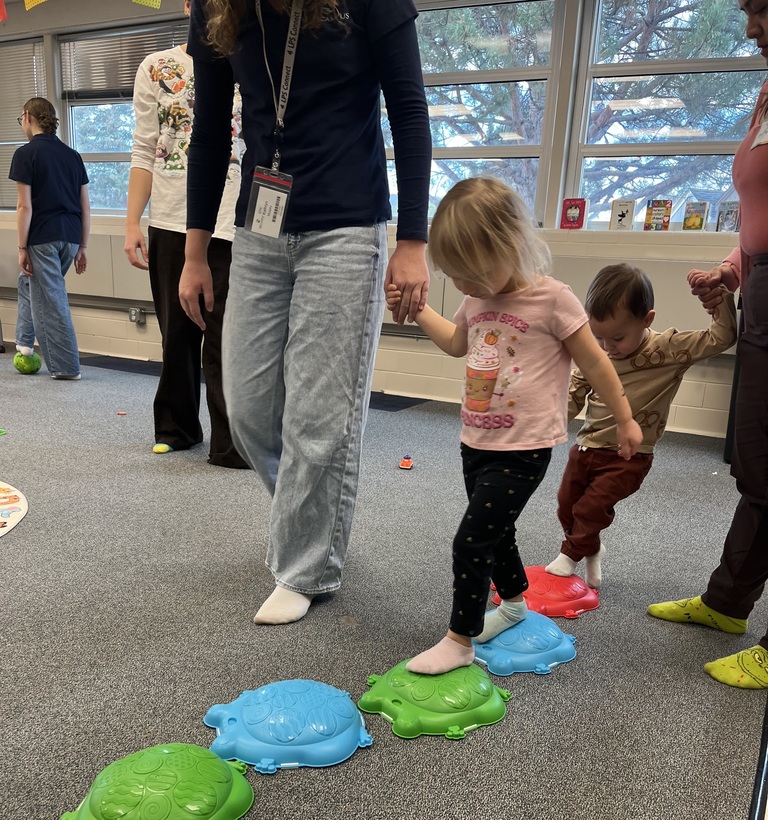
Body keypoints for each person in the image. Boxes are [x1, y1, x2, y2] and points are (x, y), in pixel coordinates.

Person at [179, 0, 431, 625]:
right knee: (247, 407)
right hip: (260, 226)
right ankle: (310, 520)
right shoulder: (219, 7)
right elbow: (210, 131)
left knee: (321, 413)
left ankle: (307, 565)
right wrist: (194, 253)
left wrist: (413, 242)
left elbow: (409, 111)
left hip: (346, 225)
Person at [385, 177, 643, 676]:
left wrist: (625, 418)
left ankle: (459, 640)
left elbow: (596, 363)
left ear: (511, 245)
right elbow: (458, 344)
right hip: (475, 440)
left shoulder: (553, 299)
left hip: (525, 448)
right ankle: (515, 605)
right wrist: (419, 312)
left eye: (474, 275)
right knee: (497, 532)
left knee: (471, 541)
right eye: (456, 278)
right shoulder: (477, 298)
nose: (467, 287)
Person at [647, 1, 768, 691]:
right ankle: (728, 605)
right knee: (757, 463)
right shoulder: (765, 91)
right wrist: (733, 264)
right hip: (764, 288)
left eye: (763, 10)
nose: (751, 27)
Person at [545, 264, 737, 589]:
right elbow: (573, 394)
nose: (607, 347)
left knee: (591, 508)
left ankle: (571, 554)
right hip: (586, 448)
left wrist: (720, 301)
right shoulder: (597, 354)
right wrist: (547, 428)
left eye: (618, 337)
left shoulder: (668, 349)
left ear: (646, 320)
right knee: (567, 506)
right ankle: (591, 549)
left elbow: (721, 337)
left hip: (629, 457)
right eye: (598, 337)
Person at [125, 0, 247, 467]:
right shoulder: (156, 67)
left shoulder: (249, 57)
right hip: (173, 217)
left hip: (235, 221)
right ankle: (176, 428)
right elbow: (142, 150)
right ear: (187, 7)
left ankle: (231, 439)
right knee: (177, 332)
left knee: (227, 335)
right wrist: (132, 221)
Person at [10, 98, 89, 380]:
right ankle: (24, 345)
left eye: (21, 119)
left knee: (51, 299)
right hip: (70, 236)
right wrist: (83, 246)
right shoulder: (72, 155)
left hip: (42, 237)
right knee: (30, 283)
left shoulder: (25, 154)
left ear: (28, 117)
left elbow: (24, 206)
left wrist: (22, 247)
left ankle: (66, 367)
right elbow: (84, 206)